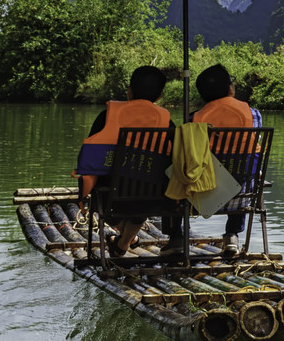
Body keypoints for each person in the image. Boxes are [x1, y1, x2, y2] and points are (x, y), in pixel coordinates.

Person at [76, 65, 174, 255]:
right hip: (151, 195)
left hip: (111, 194)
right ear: (160, 96)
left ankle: (123, 242)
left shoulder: (107, 116)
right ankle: (124, 243)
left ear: (129, 92)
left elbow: (88, 156)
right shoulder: (166, 122)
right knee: (145, 188)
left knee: (102, 195)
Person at [191, 63, 261, 254]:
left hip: (202, 197)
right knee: (245, 167)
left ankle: (176, 238)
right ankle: (232, 235)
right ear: (230, 88)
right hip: (242, 196)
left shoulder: (195, 119)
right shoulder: (253, 115)